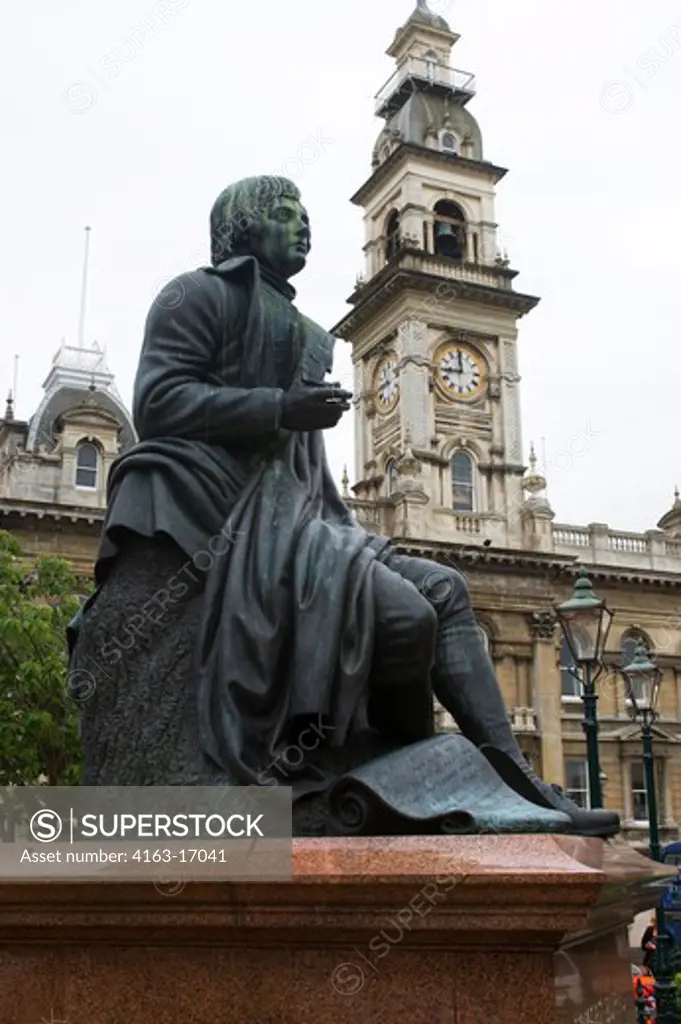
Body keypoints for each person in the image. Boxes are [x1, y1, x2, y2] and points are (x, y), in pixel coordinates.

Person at [68, 175, 619, 839]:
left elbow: (303, 468)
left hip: (298, 516)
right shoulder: (194, 296)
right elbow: (158, 402)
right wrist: (278, 409)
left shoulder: (305, 332)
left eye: (305, 214)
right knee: (403, 613)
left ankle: (513, 782)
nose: (302, 225)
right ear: (241, 225)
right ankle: (384, 778)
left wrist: (333, 518)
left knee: (444, 587)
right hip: (222, 507)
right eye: (282, 212)